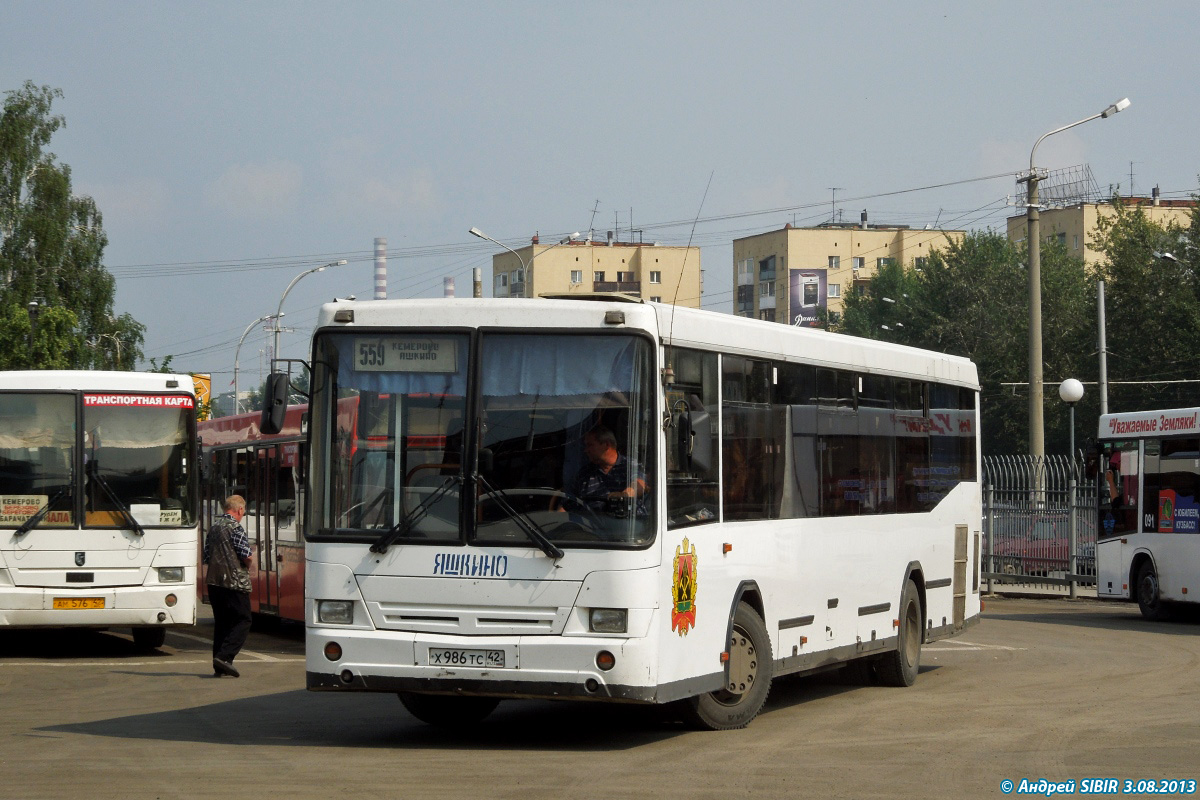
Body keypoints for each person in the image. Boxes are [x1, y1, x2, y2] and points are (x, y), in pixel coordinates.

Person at [204, 495, 253, 677]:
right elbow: (246, 555)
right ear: (239, 509)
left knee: (222, 623)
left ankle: (219, 665)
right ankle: (225, 657)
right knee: (243, 619)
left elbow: (207, 555)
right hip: (234, 582)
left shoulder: (214, 528)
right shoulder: (235, 527)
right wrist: (247, 567)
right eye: (243, 511)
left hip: (215, 582)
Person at [561, 426, 648, 517]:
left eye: (590, 445)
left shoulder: (630, 465)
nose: (586, 450)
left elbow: (640, 484)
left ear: (606, 445)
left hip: (627, 526)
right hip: (591, 528)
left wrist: (624, 495)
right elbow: (567, 505)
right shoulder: (584, 474)